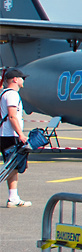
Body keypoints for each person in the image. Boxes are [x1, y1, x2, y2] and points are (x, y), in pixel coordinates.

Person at [2, 67, 30, 208]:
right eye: (22, 78)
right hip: (10, 135)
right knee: (12, 165)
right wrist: (21, 134)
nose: (23, 80)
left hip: (5, 134)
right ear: (15, 79)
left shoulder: (4, 93)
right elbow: (12, 116)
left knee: (12, 167)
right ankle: (13, 197)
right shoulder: (12, 95)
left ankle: (13, 197)